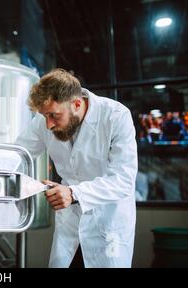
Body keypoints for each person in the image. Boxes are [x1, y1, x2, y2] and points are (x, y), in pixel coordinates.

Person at [15, 68, 138, 268]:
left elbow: (123, 180)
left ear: (77, 104)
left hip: (107, 224)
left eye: (54, 116)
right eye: (45, 116)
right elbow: (17, 155)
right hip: (70, 224)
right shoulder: (44, 120)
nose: (48, 125)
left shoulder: (116, 117)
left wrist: (73, 193)